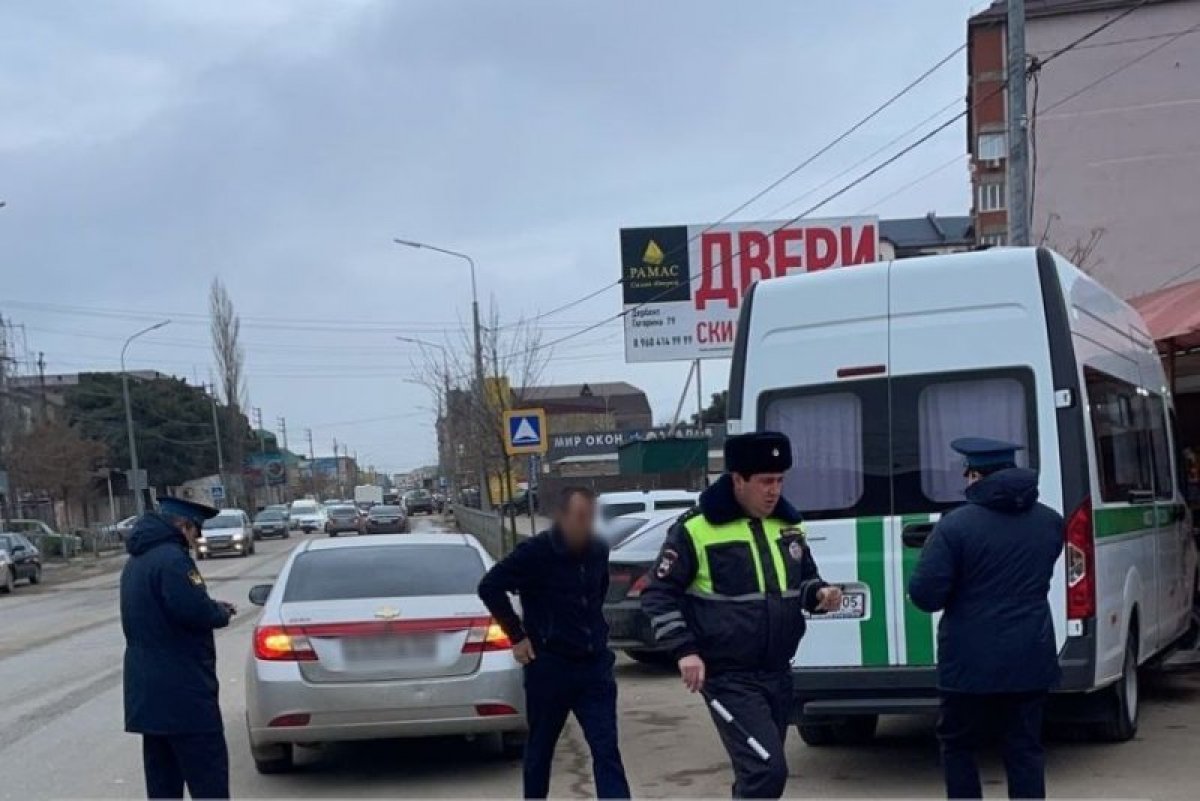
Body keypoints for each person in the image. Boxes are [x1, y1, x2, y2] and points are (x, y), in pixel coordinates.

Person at [641, 431, 843, 799]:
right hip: (729, 677)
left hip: (778, 673)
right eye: (765, 481)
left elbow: (804, 582)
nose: (774, 490)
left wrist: (821, 595)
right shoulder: (695, 529)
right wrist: (684, 650)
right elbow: (657, 594)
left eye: (780, 480)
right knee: (767, 769)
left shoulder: (787, 524)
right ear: (738, 480)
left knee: (756, 775)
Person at [908, 437, 1065, 801]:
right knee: (1024, 749)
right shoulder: (1050, 522)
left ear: (976, 475)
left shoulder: (955, 526)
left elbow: (926, 596)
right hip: (1030, 655)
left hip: (968, 664)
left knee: (959, 746)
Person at [477, 486, 631, 799]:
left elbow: (596, 595)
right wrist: (517, 636)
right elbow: (490, 586)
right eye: (579, 517)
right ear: (561, 517)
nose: (585, 524)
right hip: (550, 668)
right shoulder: (535, 553)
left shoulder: (599, 549)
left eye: (590, 517)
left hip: (594, 669)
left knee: (606, 750)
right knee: (540, 750)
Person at [121, 496, 237, 799]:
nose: (195, 539)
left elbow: (161, 611)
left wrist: (205, 605)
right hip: (184, 694)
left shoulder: (137, 560)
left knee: (163, 786)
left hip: (148, 695)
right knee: (208, 781)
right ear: (183, 526)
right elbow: (192, 610)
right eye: (195, 532)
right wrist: (219, 612)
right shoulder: (173, 559)